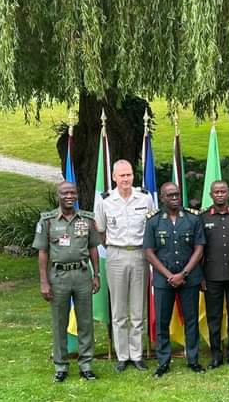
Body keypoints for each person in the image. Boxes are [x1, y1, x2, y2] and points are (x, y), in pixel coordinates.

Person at [33, 181, 101, 382]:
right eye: (65, 193)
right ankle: (61, 366)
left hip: (82, 275)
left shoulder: (87, 219)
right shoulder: (47, 221)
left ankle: (86, 365)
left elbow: (93, 248)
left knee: (85, 322)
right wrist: (44, 282)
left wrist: (96, 274)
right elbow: (43, 252)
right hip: (59, 277)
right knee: (59, 322)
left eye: (72, 192)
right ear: (58, 196)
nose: (69, 196)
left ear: (77, 195)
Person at [93, 160, 154, 373]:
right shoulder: (105, 201)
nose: (126, 179)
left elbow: (151, 225)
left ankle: (136, 355)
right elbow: (100, 229)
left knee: (137, 308)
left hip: (139, 254)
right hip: (116, 254)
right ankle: (122, 356)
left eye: (128, 175)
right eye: (122, 176)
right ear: (114, 177)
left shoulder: (144, 198)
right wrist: (113, 248)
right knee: (118, 309)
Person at [143, 182, 206, 377]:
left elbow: (199, 248)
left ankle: (193, 359)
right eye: (170, 195)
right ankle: (163, 361)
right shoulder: (153, 221)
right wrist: (169, 275)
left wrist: (183, 274)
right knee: (162, 321)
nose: (175, 198)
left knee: (191, 319)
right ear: (162, 197)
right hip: (164, 280)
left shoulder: (192, 218)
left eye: (177, 194)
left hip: (189, 278)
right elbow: (148, 252)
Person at [199, 181, 229, 369]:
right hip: (211, 276)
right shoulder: (202, 218)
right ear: (211, 195)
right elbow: (198, 250)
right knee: (214, 317)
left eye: (223, 191)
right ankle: (216, 354)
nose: (220, 195)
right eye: (216, 192)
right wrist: (201, 277)